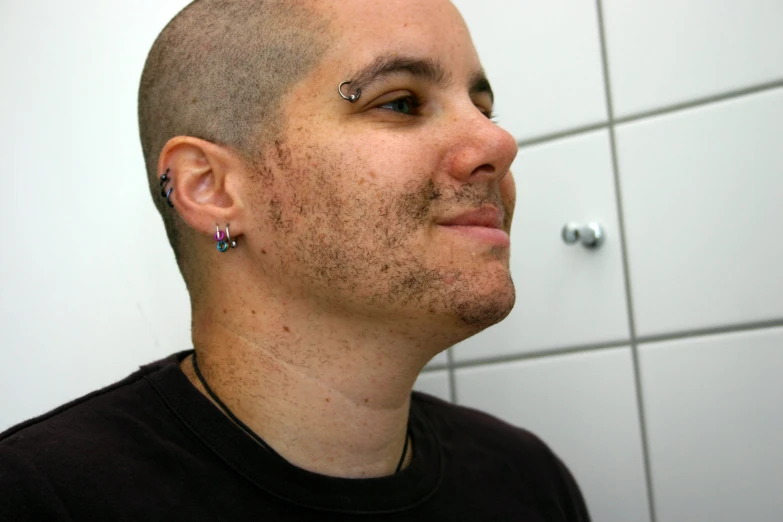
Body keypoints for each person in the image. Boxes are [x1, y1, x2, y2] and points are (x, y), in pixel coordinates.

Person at [0, 0, 590, 520]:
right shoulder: (42, 498)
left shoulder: (528, 482)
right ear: (211, 188)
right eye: (402, 102)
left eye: (482, 109)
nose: (499, 143)